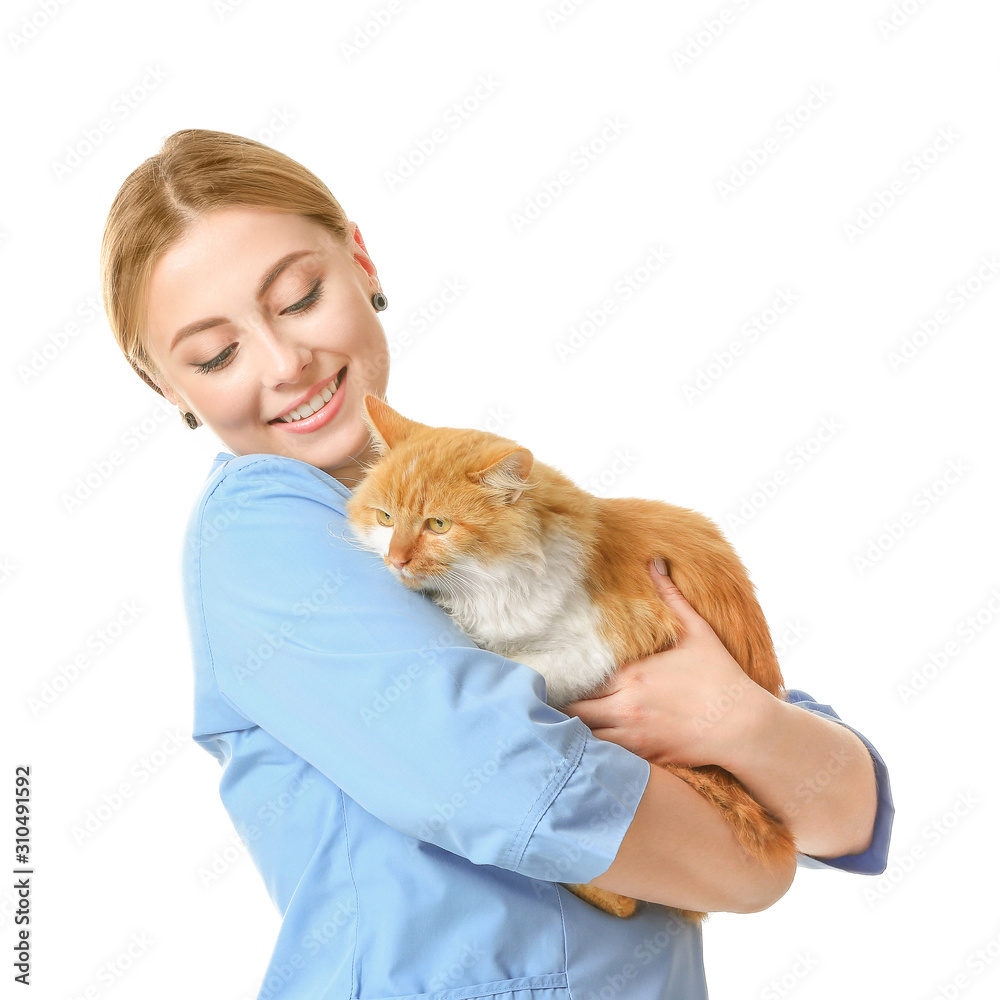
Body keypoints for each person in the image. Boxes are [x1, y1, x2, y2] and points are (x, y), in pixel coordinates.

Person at [100, 129, 894, 1000]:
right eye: (215, 355)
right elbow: (507, 785)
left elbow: (842, 809)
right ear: (168, 389)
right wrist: (757, 859)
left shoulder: (493, 489)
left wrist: (742, 722)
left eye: (297, 297)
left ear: (360, 258)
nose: (285, 366)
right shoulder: (262, 527)